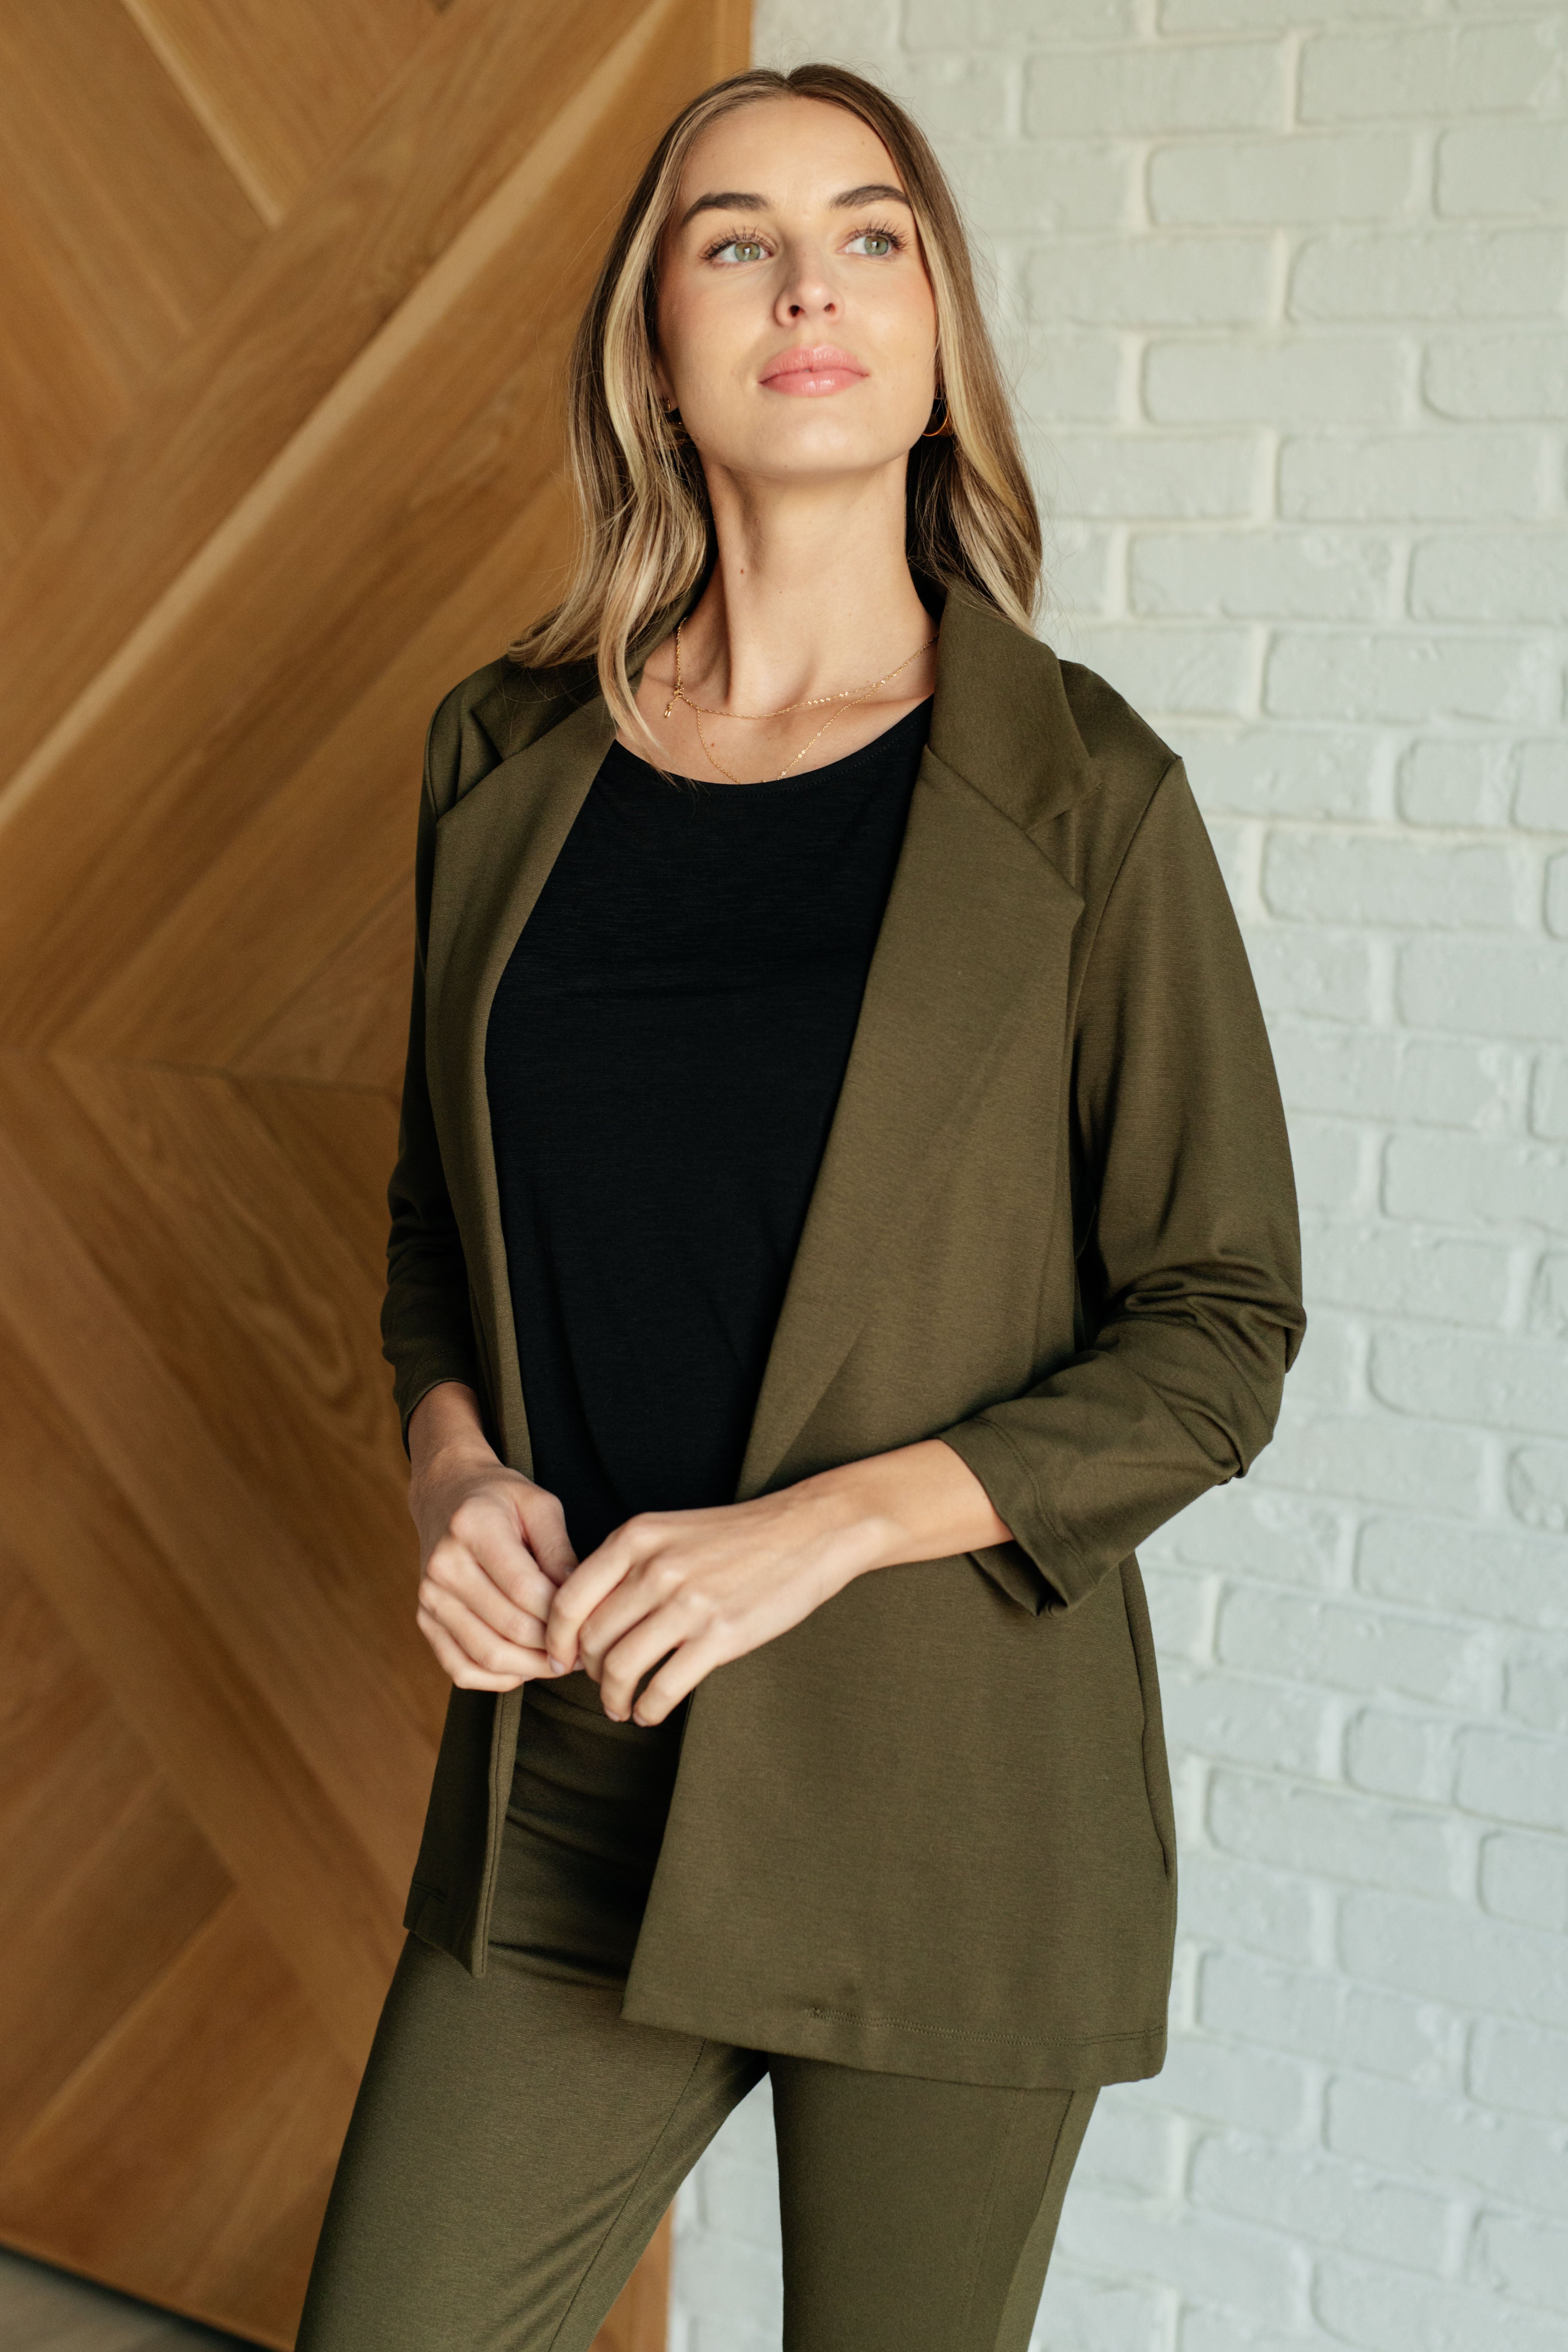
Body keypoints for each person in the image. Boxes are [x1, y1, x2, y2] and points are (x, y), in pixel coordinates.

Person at [296, 61, 1306, 2352]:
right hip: (577, 1770)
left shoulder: (1089, 795)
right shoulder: (502, 756)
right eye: (734, 240)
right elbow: (439, 1219)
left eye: (871, 236)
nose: (808, 287)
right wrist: (450, 1467)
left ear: (938, 336)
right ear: (654, 343)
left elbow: (1218, 1321)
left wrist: (817, 1530)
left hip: (944, 1803)